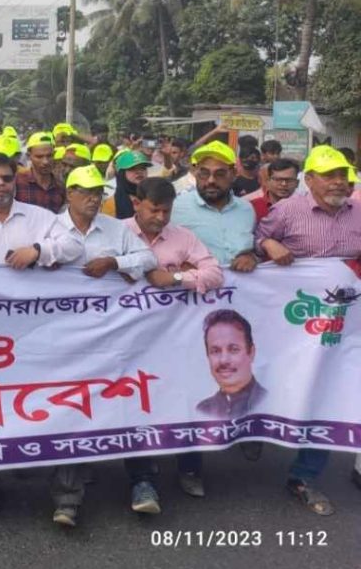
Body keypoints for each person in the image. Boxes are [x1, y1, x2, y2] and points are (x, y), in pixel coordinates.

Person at [0, 152, 82, 512]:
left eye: (6, 179)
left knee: (54, 401)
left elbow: (75, 246)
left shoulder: (41, 218)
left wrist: (38, 250)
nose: (0, 185)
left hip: (41, 330)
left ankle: (64, 495)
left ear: (16, 181)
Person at [46, 165, 157, 528]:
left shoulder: (116, 229)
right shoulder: (48, 228)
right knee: (72, 411)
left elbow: (148, 259)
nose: (94, 198)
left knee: (130, 402)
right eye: (86, 192)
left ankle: (142, 484)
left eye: (99, 192)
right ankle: (68, 499)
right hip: (64, 339)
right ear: (69, 194)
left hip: (115, 336)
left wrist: (114, 261)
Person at [255, 145, 361, 517]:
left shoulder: (359, 212)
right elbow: (255, 241)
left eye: (344, 175)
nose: (339, 182)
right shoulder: (287, 210)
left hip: (345, 326)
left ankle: (304, 475)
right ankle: (256, 434)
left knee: (333, 390)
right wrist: (269, 244)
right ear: (310, 180)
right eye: (330, 175)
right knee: (290, 384)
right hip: (293, 327)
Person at [121, 177, 224, 513]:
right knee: (135, 405)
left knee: (186, 398)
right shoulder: (115, 233)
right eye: (154, 209)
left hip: (176, 340)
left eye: (167, 210)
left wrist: (178, 278)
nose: (161, 217)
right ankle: (142, 481)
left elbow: (214, 273)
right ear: (137, 203)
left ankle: (190, 467)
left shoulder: (183, 237)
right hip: (127, 343)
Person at [171, 141, 258, 272]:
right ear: (195, 172)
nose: (211, 180)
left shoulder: (246, 209)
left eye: (220, 174)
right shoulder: (175, 207)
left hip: (238, 290)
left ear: (234, 174)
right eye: (204, 173)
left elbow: (251, 249)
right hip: (191, 289)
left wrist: (251, 257)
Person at [195, 309, 266, 419]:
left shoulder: (272, 402)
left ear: (251, 352)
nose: (224, 360)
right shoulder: (202, 410)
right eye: (215, 351)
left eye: (233, 350)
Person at [15, 132, 64, 213]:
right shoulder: (17, 181)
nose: (45, 162)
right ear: (29, 156)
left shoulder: (60, 186)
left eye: (49, 156)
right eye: (39, 157)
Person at [101, 150, 150, 219]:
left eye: (143, 168)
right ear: (122, 173)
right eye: (132, 168)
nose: (139, 172)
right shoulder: (111, 203)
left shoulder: (154, 196)